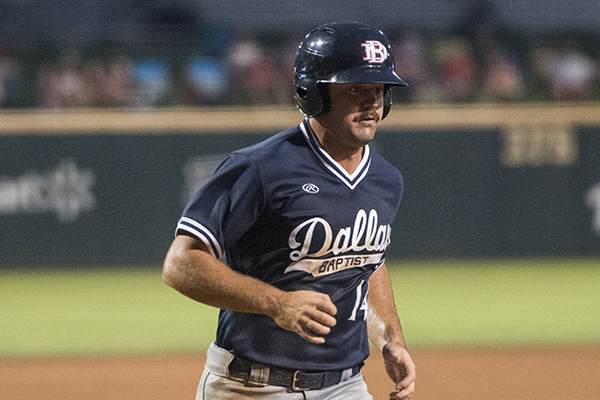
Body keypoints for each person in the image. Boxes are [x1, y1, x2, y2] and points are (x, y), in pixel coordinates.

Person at [163, 21, 416, 400]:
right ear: (312, 93)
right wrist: (277, 303)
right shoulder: (261, 167)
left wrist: (390, 338)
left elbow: (368, 263)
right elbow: (180, 263)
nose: (372, 101)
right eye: (356, 88)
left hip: (346, 386)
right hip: (250, 386)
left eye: (380, 89)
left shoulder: (386, 179)